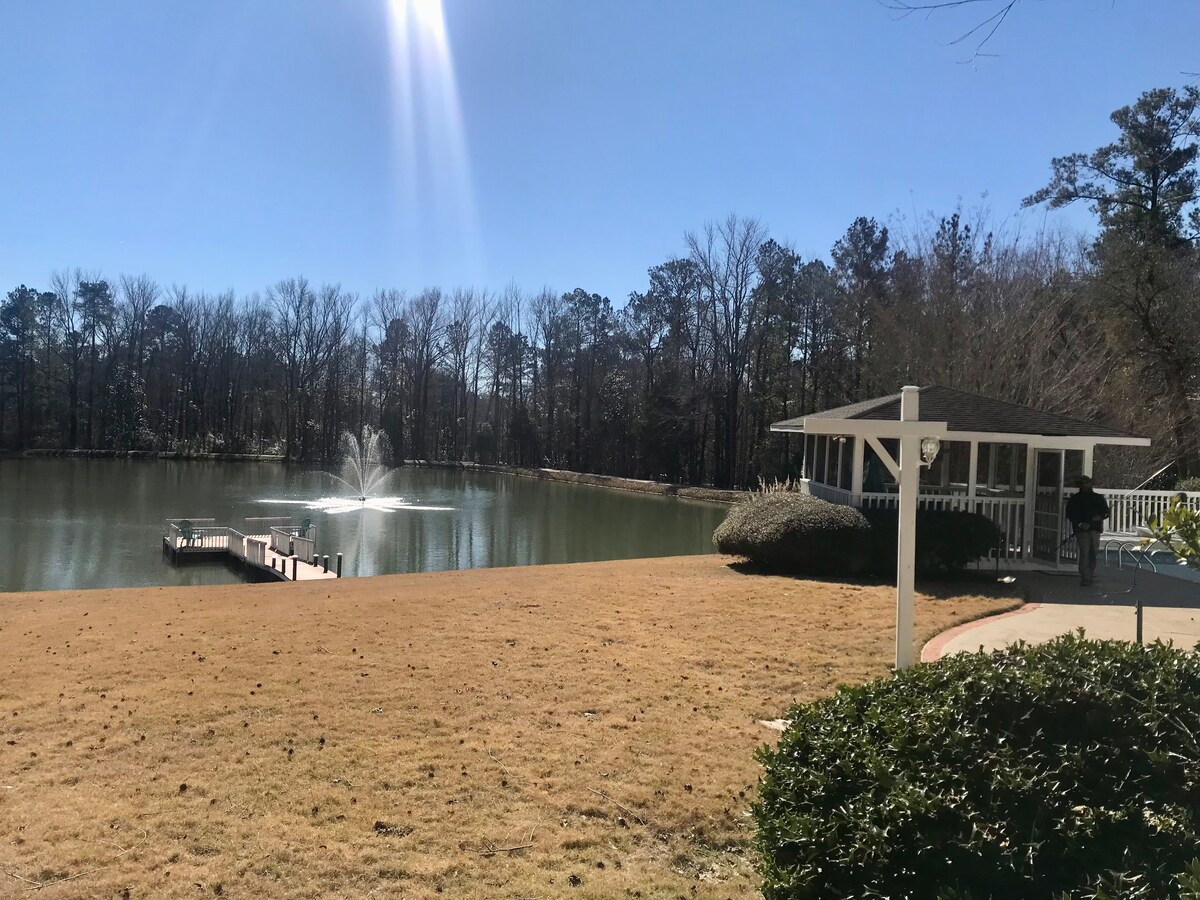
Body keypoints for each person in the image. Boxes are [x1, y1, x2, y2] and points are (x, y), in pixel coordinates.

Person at [1065, 476, 1110, 586]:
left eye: (1087, 483)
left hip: (1095, 529)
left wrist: (1099, 516)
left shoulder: (1098, 498)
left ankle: (1090, 574)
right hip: (1082, 530)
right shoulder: (1075, 499)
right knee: (1084, 553)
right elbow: (1071, 514)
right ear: (1080, 485)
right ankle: (1085, 577)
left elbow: (1106, 512)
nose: (1086, 485)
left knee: (1093, 553)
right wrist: (1080, 523)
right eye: (1083, 484)